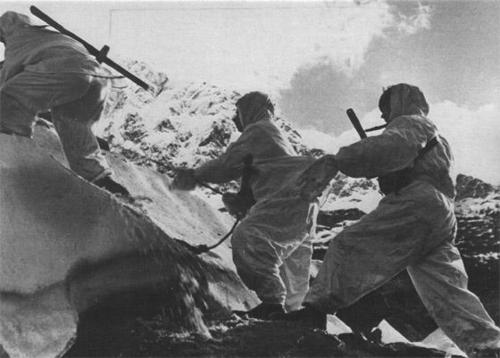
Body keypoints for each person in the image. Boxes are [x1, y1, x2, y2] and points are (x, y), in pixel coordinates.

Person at [287, 83, 500, 357]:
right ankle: (488, 346)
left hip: (415, 202)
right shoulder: (433, 133)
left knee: (348, 245)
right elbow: (409, 160)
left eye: (386, 109)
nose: (384, 117)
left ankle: (314, 311)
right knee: (445, 288)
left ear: (398, 104)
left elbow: (390, 148)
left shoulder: (409, 124)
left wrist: (340, 160)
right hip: (441, 213)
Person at [172, 91, 318, 319]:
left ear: (249, 110)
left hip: (286, 202)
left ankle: (272, 303)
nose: (234, 119)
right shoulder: (274, 135)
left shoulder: (258, 130)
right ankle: (292, 318)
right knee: (291, 266)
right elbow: (269, 174)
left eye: (237, 112)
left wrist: (195, 175)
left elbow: (228, 165)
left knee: (248, 238)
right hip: (303, 206)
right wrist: (242, 200)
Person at [0, 11, 128, 195]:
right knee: (73, 124)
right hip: (99, 78)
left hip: (65, 71)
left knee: (10, 99)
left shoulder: (19, 38)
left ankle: (12, 152)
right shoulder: (52, 37)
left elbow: (8, 77)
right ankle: (100, 179)